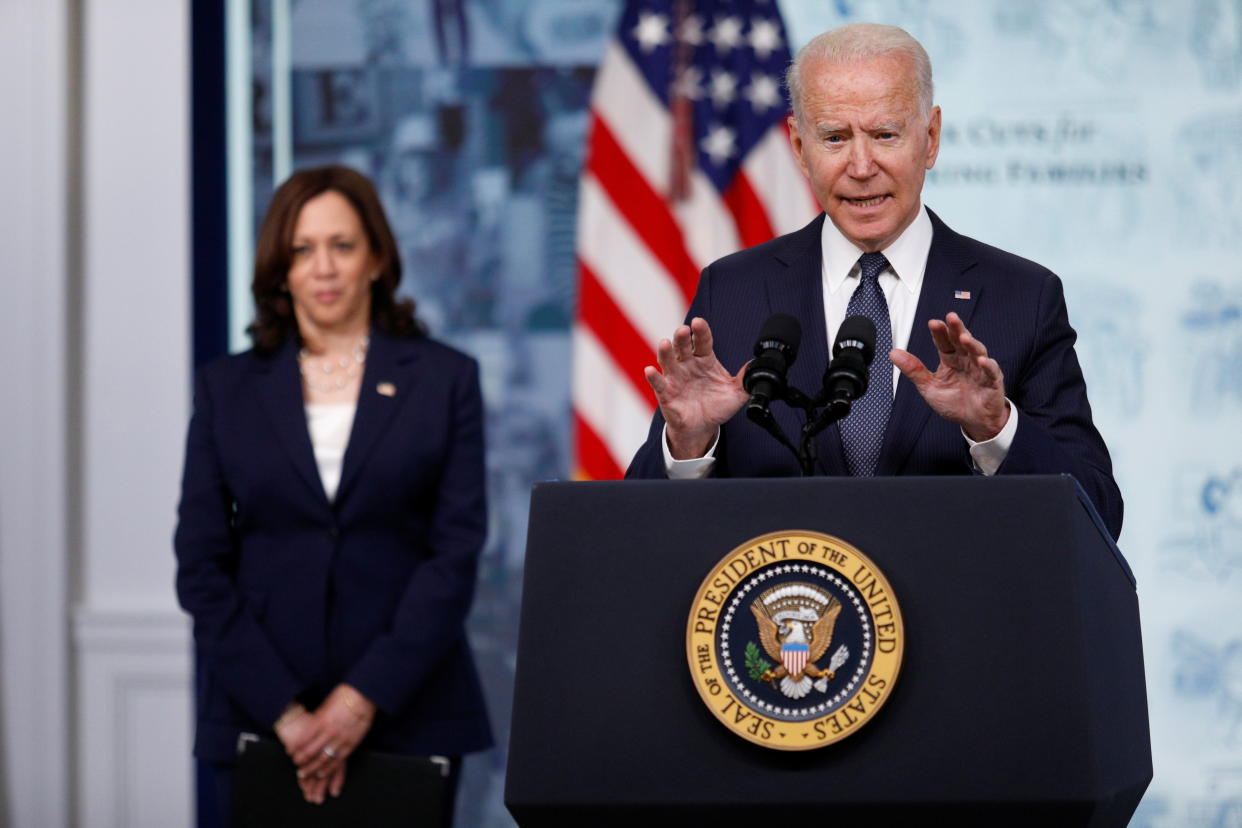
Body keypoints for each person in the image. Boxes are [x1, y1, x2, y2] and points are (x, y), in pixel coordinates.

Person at [625, 23, 1123, 541]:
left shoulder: (1022, 297)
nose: (861, 167)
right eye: (835, 138)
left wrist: (996, 431)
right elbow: (638, 532)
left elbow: (1099, 515)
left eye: (885, 134)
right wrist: (689, 444)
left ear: (929, 139)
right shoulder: (733, 292)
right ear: (799, 146)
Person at [174, 165, 492, 825]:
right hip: (260, 719)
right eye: (302, 249)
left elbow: (454, 554)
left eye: (342, 246)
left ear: (376, 258)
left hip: (410, 712)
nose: (323, 267)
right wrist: (288, 715)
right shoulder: (225, 390)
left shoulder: (446, 380)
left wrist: (358, 701)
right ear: (279, 268)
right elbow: (201, 567)